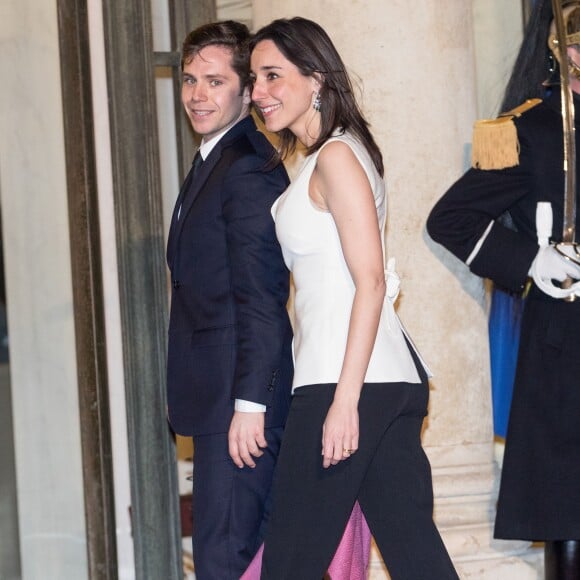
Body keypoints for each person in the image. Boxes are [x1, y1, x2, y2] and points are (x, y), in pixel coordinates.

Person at [249, 17, 459, 579]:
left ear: (316, 78)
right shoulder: (330, 156)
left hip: (344, 383)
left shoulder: (337, 157)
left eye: (273, 75)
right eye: (254, 79)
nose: (259, 92)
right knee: (417, 557)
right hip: (377, 379)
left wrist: (345, 402)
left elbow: (369, 279)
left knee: (289, 564)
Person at [427, 1, 580, 578]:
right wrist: (530, 259)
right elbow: (452, 218)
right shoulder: (530, 130)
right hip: (567, 341)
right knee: (568, 513)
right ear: (561, 50)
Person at [165, 21, 293, 579]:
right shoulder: (213, 162)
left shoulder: (245, 167)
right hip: (217, 398)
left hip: (237, 405)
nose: (197, 94)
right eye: (191, 80)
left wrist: (250, 406)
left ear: (246, 91)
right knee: (229, 556)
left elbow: (262, 297)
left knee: (226, 557)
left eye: (215, 82)